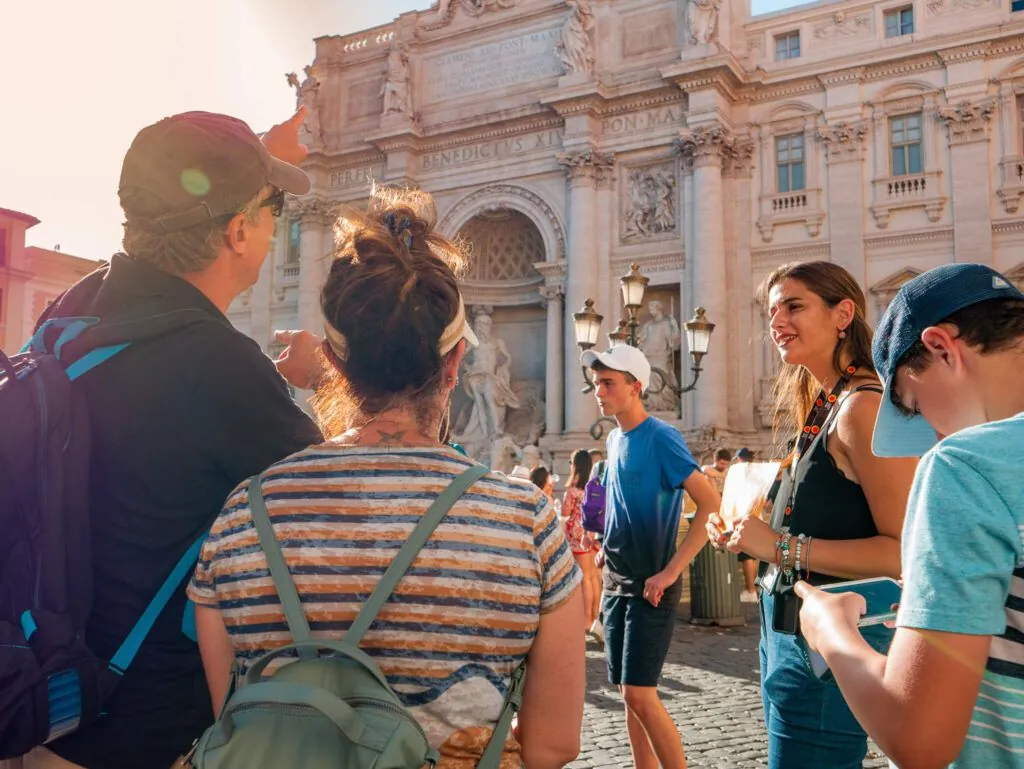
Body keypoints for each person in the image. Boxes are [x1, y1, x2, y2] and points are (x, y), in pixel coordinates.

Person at [188, 186, 585, 769]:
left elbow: (236, 713)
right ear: (454, 366)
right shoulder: (526, 524)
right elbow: (553, 746)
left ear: (335, 363)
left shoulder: (243, 514)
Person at [8, 111, 323, 769]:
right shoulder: (224, 370)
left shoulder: (70, 315)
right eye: (274, 209)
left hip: (36, 706)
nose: (276, 227)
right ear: (239, 232)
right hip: (145, 735)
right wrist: (314, 384)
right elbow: (335, 518)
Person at [795, 263, 1024, 769]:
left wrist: (830, 629)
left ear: (942, 346)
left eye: (914, 405)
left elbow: (918, 738)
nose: (932, 437)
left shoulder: (966, 466)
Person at [706, 261, 917, 769]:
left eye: (793, 305)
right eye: (772, 309)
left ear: (843, 313)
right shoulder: (825, 401)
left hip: (829, 643)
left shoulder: (861, 408)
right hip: (788, 630)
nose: (777, 319)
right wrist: (747, 534)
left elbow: (903, 552)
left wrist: (777, 548)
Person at [582, 344, 721, 769]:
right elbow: (621, 501)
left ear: (636, 386)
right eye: (595, 384)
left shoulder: (662, 437)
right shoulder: (612, 438)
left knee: (640, 693)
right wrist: (606, 542)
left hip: (652, 586)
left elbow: (710, 504)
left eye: (607, 384)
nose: (598, 393)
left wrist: (670, 572)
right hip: (616, 582)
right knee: (628, 693)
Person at [562, 449, 602, 634]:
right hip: (592, 534)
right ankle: (595, 618)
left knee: (585, 578)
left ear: (575, 466)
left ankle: (586, 620)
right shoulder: (593, 487)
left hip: (578, 537)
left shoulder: (573, 491)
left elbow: (564, 514)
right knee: (594, 577)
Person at [728, 448, 760, 602]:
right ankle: (753, 589)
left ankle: (751, 590)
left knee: (746, 557)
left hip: (743, 516)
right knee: (751, 556)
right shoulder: (756, 472)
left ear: (740, 459)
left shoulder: (740, 472)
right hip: (755, 516)